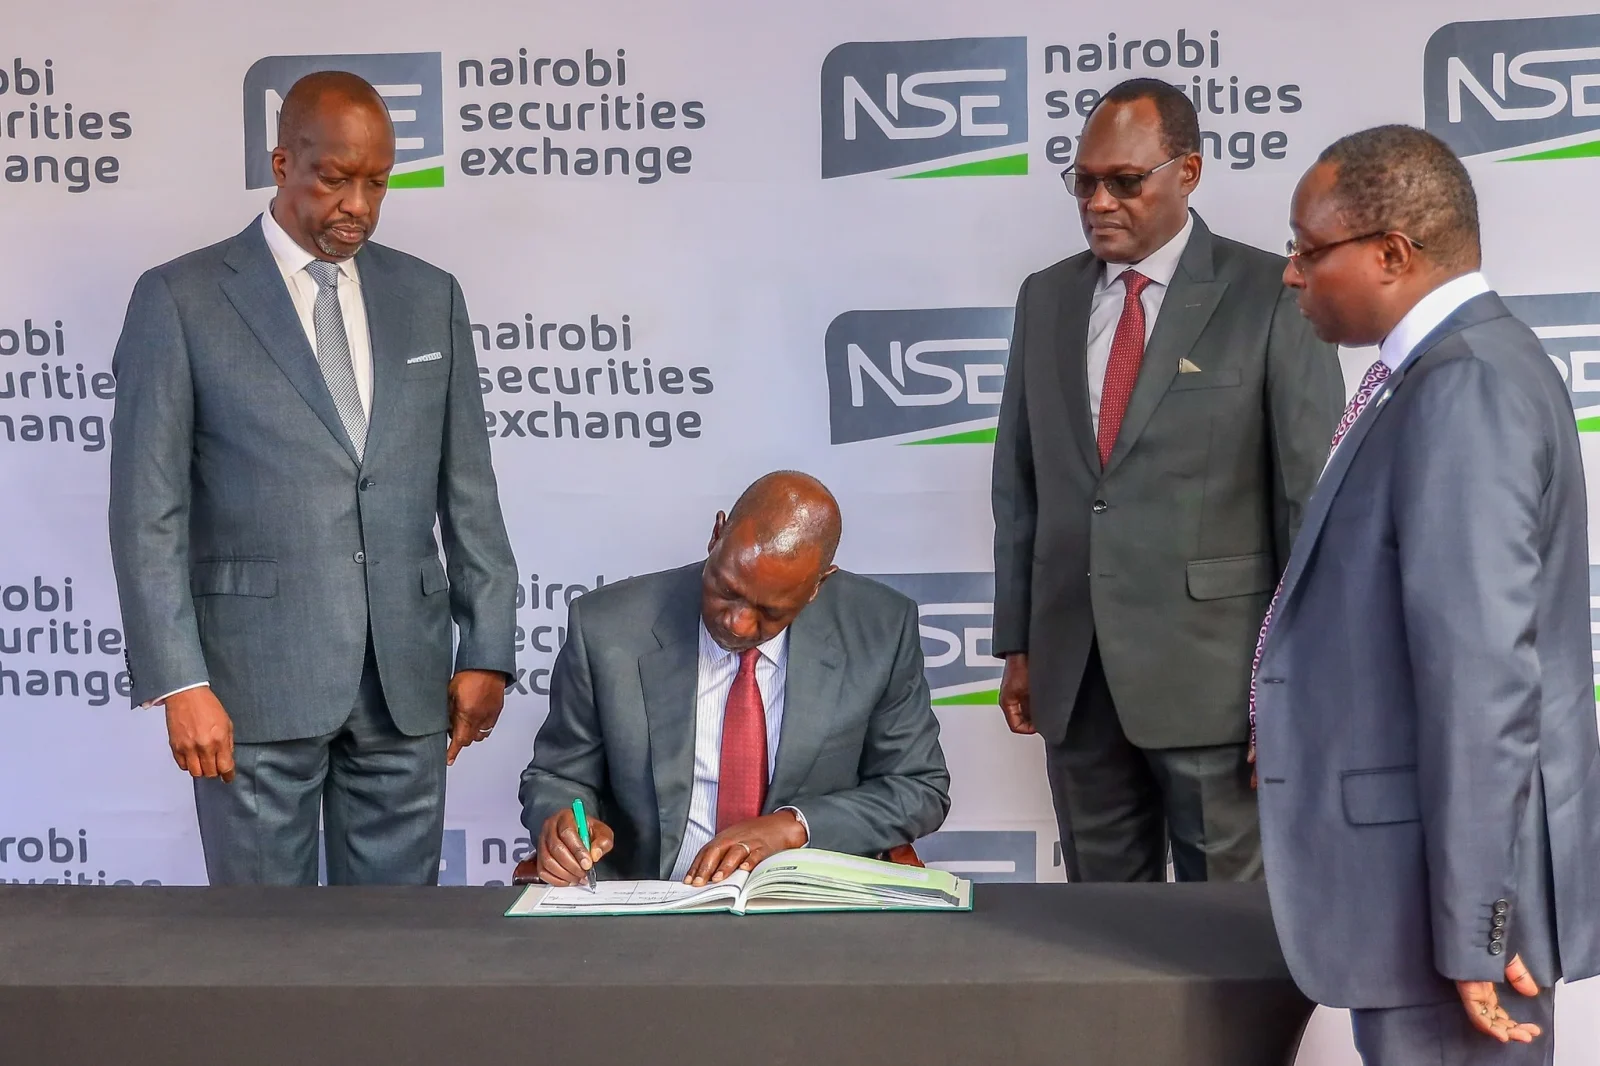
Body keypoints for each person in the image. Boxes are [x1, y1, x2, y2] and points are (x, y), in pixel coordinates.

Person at [108, 71, 517, 885]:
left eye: (378, 183)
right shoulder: (181, 299)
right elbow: (148, 512)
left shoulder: (429, 296)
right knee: (263, 942)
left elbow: (470, 489)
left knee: (397, 942)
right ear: (281, 162)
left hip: (406, 687)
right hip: (250, 686)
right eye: (334, 179)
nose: (357, 205)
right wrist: (180, 681)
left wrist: (488, 650)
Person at [1257, 124, 1600, 1064]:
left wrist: (1477, 927)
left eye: (1309, 249)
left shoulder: (1466, 387)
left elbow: (1483, 678)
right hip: (1435, 891)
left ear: (1392, 254)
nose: (1291, 272)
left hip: (1453, 913)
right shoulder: (1446, 370)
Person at [990, 77, 1343, 883]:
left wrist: (1294, 684)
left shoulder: (1273, 295)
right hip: (1076, 678)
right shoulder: (1046, 298)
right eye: (1084, 182)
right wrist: (1021, 643)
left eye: (1125, 181)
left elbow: (1308, 505)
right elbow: (1020, 484)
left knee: (1225, 925)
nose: (1099, 203)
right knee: (1101, 925)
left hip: (1218, 684)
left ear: (1188, 172)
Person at [519, 471, 950, 887]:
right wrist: (563, 824)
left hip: (805, 903)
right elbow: (558, 777)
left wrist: (794, 827)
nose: (739, 624)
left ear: (818, 585)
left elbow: (918, 787)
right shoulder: (608, 627)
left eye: (770, 612)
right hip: (652, 899)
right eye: (726, 590)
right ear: (716, 534)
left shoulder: (880, 629)